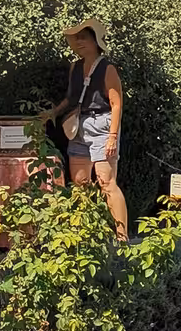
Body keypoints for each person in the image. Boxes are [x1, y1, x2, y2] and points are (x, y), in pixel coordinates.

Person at [46, 17, 128, 238]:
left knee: (106, 182)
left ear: (96, 40)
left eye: (84, 38)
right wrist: (52, 113)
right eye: (76, 38)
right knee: (81, 182)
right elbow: (71, 98)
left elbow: (116, 103)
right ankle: (86, 233)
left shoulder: (107, 68)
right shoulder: (75, 67)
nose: (79, 42)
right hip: (79, 125)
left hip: (102, 124)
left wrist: (112, 135)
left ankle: (122, 237)